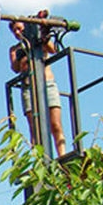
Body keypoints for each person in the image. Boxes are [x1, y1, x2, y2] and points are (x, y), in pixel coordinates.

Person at [10, 17, 66, 156]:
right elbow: (15, 68)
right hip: (28, 88)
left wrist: (43, 38)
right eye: (14, 30)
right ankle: (39, 158)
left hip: (47, 84)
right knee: (34, 129)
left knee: (55, 124)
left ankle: (62, 155)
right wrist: (21, 54)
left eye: (19, 28)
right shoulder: (15, 49)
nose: (17, 32)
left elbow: (53, 49)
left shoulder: (40, 41)